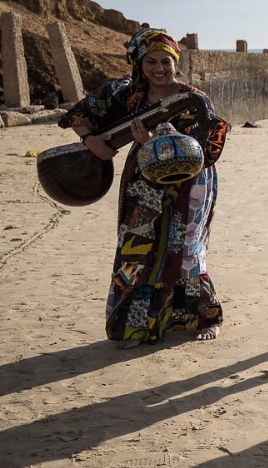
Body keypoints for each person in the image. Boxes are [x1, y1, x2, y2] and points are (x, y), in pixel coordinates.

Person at [59, 27, 228, 348]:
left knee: (184, 251)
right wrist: (90, 140)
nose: (159, 68)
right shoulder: (126, 94)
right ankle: (136, 327)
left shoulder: (192, 99)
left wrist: (159, 144)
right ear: (138, 63)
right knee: (136, 250)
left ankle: (195, 318)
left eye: (166, 61)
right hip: (143, 181)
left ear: (176, 62)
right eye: (151, 61)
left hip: (191, 182)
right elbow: (78, 114)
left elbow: (211, 148)